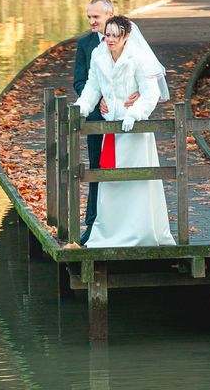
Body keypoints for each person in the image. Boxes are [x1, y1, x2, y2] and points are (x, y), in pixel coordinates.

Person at [73, 15, 175, 247]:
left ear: (126, 36)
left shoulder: (138, 58)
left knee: (138, 182)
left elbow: (151, 93)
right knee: (112, 182)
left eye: (114, 36)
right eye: (107, 35)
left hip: (134, 129)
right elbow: (92, 87)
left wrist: (134, 113)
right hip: (111, 129)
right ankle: (111, 233)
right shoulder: (99, 57)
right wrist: (82, 107)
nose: (109, 39)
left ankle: (142, 232)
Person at [73, 0, 139, 245]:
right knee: (98, 168)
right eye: (89, 17)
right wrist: (99, 99)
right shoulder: (85, 44)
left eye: (96, 17)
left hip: (126, 117)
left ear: (110, 15)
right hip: (96, 118)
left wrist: (138, 96)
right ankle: (93, 223)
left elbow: (142, 76)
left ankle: (126, 222)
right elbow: (81, 82)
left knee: (126, 167)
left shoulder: (130, 43)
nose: (91, 21)